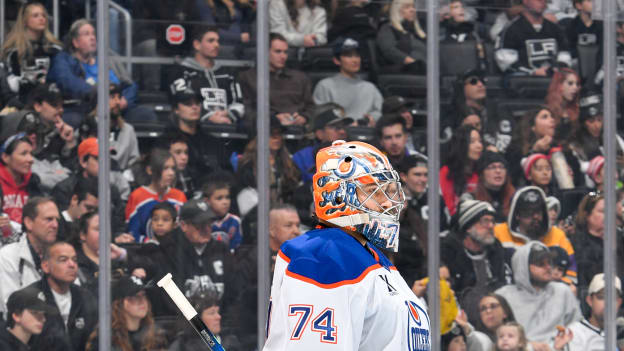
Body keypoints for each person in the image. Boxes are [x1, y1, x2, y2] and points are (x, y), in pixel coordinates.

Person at [263, 140, 431, 350]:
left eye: (389, 190)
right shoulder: (325, 256)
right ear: (339, 195)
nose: (388, 202)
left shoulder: (370, 256)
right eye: (374, 191)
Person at [47, 19, 152, 127]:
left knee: (145, 114)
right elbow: (70, 82)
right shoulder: (66, 61)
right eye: (86, 34)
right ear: (75, 42)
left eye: (93, 34)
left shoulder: (107, 60)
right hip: (89, 110)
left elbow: (130, 84)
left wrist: (125, 100)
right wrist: (101, 98)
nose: (92, 38)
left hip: (117, 108)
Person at [441, 199, 512, 325]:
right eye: (485, 221)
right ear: (468, 227)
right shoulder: (448, 253)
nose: (491, 226)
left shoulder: (496, 250)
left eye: (492, 221)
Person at [495, 242, 582, 343]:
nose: (548, 267)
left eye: (549, 262)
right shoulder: (504, 296)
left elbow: (577, 327)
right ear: (523, 267)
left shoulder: (562, 291)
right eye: (541, 264)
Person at [494, 186, 577, 282]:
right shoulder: (498, 233)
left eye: (539, 211)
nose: (535, 216)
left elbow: (572, 273)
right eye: (529, 212)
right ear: (517, 215)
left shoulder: (558, 235)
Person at [166, 25, 245, 126]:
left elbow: (239, 103)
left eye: (217, 41)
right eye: (211, 41)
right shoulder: (181, 72)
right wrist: (209, 116)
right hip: (195, 127)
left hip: (227, 124)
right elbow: (181, 102)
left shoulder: (228, 73)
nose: (216, 45)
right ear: (197, 45)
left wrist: (228, 115)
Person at [25, 241, 97, 351]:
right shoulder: (29, 299)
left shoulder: (86, 298)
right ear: (46, 266)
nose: (72, 265)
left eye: (74, 260)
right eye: (63, 260)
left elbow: (95, 341)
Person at [238, 32, 315, 130]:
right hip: (264, 131)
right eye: (278, 51)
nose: (283, 56)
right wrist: (273, 119)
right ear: (265, 52)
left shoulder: (300, 78)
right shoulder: (248, 77)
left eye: (285, 52)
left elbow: (311, 107)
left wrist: (304, 118)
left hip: (297, 131)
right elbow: (246, 110)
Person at [0, 196, 58, 313]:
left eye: (57, 220)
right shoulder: (7, 256)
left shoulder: (62, 255)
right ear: (29, 223)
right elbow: (11, 307)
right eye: (49, 219)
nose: (55, 225)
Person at [0, 2, 62, 106]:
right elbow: (10, 85)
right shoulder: (13, 51)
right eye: (35, 15)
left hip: (51, 101)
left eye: (43, 15)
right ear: (25, 21)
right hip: (22, 103)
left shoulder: (54, 49)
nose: (41, 18)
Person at [236, 120, 301, 217]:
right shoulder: (248, 166)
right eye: (271, 134)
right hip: (258, 216)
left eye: (279, 134)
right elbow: (247, 200)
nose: (276, 138)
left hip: (286, 213)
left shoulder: (289, 163)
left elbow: (295, 190)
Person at [313, 37, 383, 125]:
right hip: (336, 134)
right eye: (349, 56)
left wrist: (370, 119)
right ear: (336, 60)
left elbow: (379, 112)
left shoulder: (370, 87)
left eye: (357, 55)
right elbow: (321, 116)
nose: (355, 60)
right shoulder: (325, 85)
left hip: (363, 133)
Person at [86, 275, 167, 351]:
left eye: (143, 295)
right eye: (135, 297)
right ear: (119, 304)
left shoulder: (155, 334)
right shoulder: (104, 339)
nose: (142, 301)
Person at [125, 148, 187, 242]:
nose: (171, 173)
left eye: (173, 168)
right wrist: (149, 242)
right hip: (146, 252)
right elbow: (132, 233)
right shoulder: (137, 196)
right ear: (150, 170)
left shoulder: (179, 196)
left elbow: (184, 230)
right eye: (165, 168)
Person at [495, 0, 571, 76]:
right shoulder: (511, 30)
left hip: (554, 80)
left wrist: (559, 68)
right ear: (525, 1)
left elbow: (565, 53)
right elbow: (506, 62)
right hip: (526, 82)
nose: (542, 1)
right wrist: (532, 72)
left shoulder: (555, 28)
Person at [164, 78, 223, 176]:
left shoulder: (212, 142)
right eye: (188, 104)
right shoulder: (165, 141)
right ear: (176, 109)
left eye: (197, 103)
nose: (194, 107)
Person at [292, 107, 353, 183]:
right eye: (335, 127)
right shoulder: (303, 157)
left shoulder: (358, 153)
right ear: (320, 133)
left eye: (344, 127)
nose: (342, 131)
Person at [169, 288, 241, 350]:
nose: (218, 317)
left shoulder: (231, 343)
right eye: (212, 313)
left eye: (218, 312)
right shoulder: (181, 345)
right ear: (197, 319)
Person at [567, 273, 623, 351]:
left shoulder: (619, 333)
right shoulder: (574, 333)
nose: (608, 303)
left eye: (613, 297)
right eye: (602, 297)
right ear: (589, 300)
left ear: (619, 302)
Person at [440, 125, 483, 216]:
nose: (479, 145)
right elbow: (448, 207)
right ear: (461, 144)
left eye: (480, 141)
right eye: (472, 142)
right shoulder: (447, 172)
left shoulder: (480, 172)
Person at [376, 0, 427, 73]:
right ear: (397, 10)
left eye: (413, 7)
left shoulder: (417, 31)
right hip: (405, 70)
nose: (412, 10)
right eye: (407, 7)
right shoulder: (387, 28)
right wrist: (414, 64)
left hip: (425, 69)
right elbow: (389, 50)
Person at [0, 132, 41, 223]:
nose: (31, 159)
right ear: (5, 157)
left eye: (31, 154)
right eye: (23, 154)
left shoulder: (33, 183)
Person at [0, 286, 56, 350]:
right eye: (35, 313)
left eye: (43, 313)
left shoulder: (40, 344)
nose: (43, 319)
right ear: (16, 315)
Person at [470, 151, 515, 222]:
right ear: (482, 174)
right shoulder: (471, 199)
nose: (498, 171)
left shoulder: (515, 197)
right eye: (492, 167)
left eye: (502, 167)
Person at [203, 173, 243, 251]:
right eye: (219, 198)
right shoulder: (203, 221)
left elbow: (237, 248)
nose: (225, 202)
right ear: (207, 201)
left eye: (227, 197)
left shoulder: (235, 221)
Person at [544, 68, 580, 140]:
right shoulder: (547, 111)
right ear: (559, 85)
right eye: (570, 83)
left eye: (577, 84)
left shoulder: (576, 109)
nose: (575, 88)